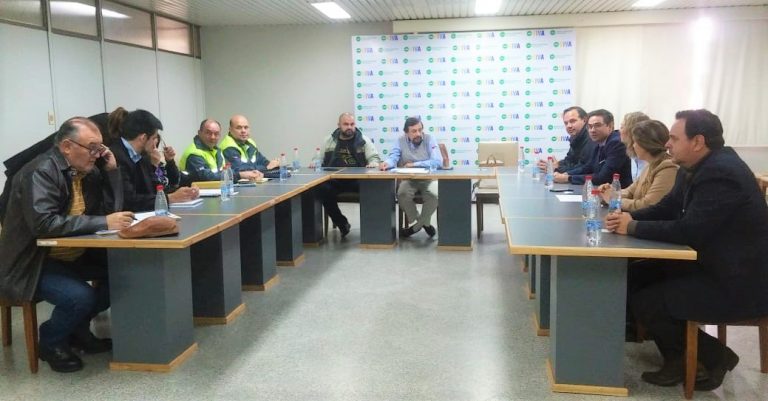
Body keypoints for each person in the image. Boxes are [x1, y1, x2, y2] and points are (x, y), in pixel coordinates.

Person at [605, 109, 768, 391]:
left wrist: (632, 227)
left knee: (650, 298)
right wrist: (627, 219)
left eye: (674, 138)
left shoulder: (722, 173)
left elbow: (689, 230)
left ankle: (713, 357)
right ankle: (682, 355)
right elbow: (666, 207)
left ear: (698, 141)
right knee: (635, 275)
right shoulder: (694, 166)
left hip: (738, 280)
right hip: (712, 263)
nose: (667, 144)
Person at [0, 117, 136, 373]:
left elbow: (110, 213)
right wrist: (103, 221)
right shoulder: (40, 172)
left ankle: (76, 331)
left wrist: (112, 171)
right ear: (66, 146)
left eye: (100, 148)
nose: (97, 154)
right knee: (79, 297)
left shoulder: (87, 173)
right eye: (92, 148)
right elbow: (44, 224)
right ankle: (50, 341)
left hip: (69, 254)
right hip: (33, 261)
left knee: (122, 275)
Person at [110, 109, 198, 212]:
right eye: (154, 138)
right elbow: (129, 201)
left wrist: (185, 191)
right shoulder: (116, 157)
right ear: (143, 138)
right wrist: (170, 198)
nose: (155, 144)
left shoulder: (142, 156)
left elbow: (155, 190)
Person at [313, 112, 381, 237]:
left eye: (352, 124)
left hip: (357, 180)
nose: (349, 127)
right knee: (322, 189)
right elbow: (318, 158)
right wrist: (314, 162)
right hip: (335, 180)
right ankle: (342, 223)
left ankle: (371, 231)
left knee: (371, 189)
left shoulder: (363, 140)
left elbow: (374, 158)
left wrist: (373, 163)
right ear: (339, 125)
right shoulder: (328, 141)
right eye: (346, 124)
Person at [380, 116, 443, 238]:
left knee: (434, 196)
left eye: (420, 130)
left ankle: (415, 228)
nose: (418, 134)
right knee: (402, 194)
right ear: (406, 133)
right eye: (414, 131)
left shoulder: (429, 139)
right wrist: (387, 163)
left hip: (428, 179)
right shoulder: (400, 141)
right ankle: (424, 223)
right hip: (409, 179)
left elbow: (437, 161)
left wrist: (415, 164)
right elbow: (393, 157)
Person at [598, 119, 678, 212]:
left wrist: (614, 200)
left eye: (635, 142)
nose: (633, 146)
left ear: (646, 144)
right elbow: (630, 192)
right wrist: (609, 193)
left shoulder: (668, 168)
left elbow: (647, 205)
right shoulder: (650, 165)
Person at [554, 109, 632, 188]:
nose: (592, 130)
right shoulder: (599, 141)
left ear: (610, 126)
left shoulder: (616, 143)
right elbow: (588, 167)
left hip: (619, 192)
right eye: (590, 126)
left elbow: (603, 177)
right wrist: (566, 174)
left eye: (597, 125)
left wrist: (568, 178)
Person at [179, 118, 262, 183]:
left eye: (216, 134)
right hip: (196, 195)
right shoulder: (194, 153)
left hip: (219, 191)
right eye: (208, 133)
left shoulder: (217, 151)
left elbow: (229, 170)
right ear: (199, 133)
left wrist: (250, 173)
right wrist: (240, 175)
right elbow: (206, 177)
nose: (213, 137)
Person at [537, 106, 595, 173]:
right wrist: (555, 164)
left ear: (584, 120)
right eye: (566, 123)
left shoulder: (591, 138)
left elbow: (584, 168)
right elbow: (569, 160)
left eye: (572, 121)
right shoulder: (575, 137)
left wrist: (557, 168)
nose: (569, 126)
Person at [618, 111, 651, 181]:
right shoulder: (632, 153)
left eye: (622, 127)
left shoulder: (649, 158)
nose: (619, 131)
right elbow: (635, 186)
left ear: (631, 131)